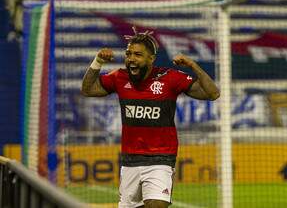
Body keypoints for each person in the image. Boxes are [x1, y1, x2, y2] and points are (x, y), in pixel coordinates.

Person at [81, 27, 220, 208]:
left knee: (156, 205)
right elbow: (88, 89)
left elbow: (212, 93)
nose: (131, 58)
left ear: (151, 59)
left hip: (160, 159)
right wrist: (97, 61)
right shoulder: (119, 77)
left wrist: (193, 65)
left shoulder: (170, 78)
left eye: (138, 55)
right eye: (128, 53)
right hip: (130, 160)